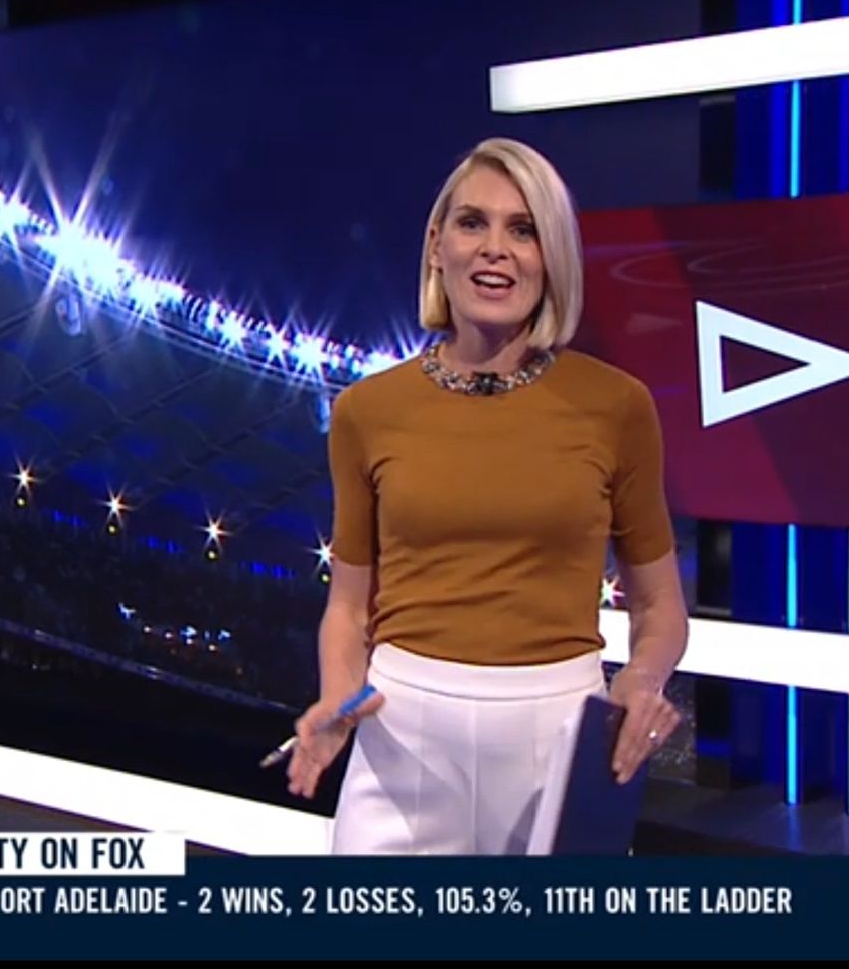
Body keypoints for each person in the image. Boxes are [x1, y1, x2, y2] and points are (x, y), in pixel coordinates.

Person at [285, 137, 690, 855]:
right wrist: (340, 700)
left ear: (551, 256)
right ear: (436, 246)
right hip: (400, 747)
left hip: (558, 743)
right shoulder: (366, 411)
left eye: (523, 229)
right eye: (472, 223)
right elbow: (349, 606)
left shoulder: (617, 406)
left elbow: (659, 607)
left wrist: (641, 680)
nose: (494, 249)